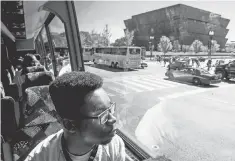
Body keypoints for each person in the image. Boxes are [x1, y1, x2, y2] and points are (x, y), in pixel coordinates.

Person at [24, 72, 126, 161]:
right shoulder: (41, 157)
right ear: (69, 125)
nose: (113, 119)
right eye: (102, 114)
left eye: (110, 108)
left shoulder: (115, 145)